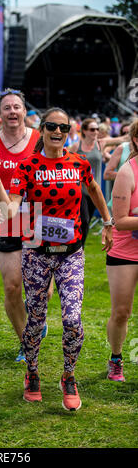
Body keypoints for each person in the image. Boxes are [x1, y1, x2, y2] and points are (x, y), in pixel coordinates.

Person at [0, 107, 113, 411]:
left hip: (71, 254)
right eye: (51, 126)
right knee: (35, 320)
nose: (57, 132)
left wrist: (107, 221)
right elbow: (10, 208)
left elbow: (93, 188)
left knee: (72, 320)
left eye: (63, 128)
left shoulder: (78, 163)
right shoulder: (28, 167)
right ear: (43, 129)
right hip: (37, 255)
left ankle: (68, 376)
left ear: (69, 132)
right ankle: (33, 372)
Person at [0, 88, 49, 365]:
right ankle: (25, 343)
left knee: (43, 289)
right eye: (7, 108)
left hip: (39, 223)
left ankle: (37, 318)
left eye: (17, 106)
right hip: (5, 224)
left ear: (24, 111)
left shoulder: (41, 140)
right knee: (13, 287)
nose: (12, 112)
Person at [106, 118, 138, 382]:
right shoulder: (128, 171)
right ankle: (116, 359)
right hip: (124, 252)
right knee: (121, 312)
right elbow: (120, 220)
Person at [70, 118, 103, 246]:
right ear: (84, 131)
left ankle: (78, 247)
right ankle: (78, 247)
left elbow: (121, 140)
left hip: (95, 189)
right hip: (80, 189)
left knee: (86, 221)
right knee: (83, 219)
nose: (95, 132)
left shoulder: (100, 143)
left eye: (97, 129)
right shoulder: (76, 146)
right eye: (92, 129)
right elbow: (64, 158)